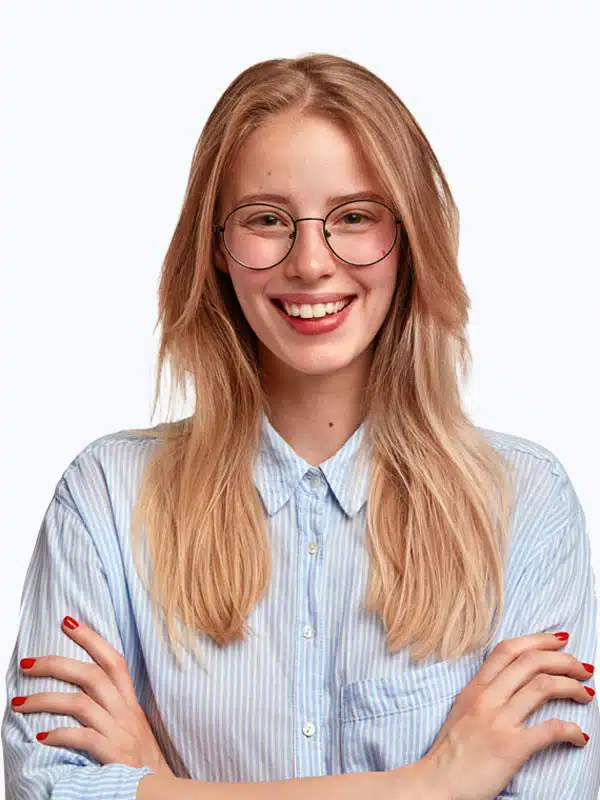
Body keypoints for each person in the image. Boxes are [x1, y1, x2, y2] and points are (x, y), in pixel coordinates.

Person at [2, 53, 598, 800]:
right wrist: (432, 784)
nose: (311, 262)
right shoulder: (106, 498)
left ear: (408, 239)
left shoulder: (526, 505)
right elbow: (46, 788)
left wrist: (156, 785)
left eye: (354, 216)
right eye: (266, 221)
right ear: (217, 249)